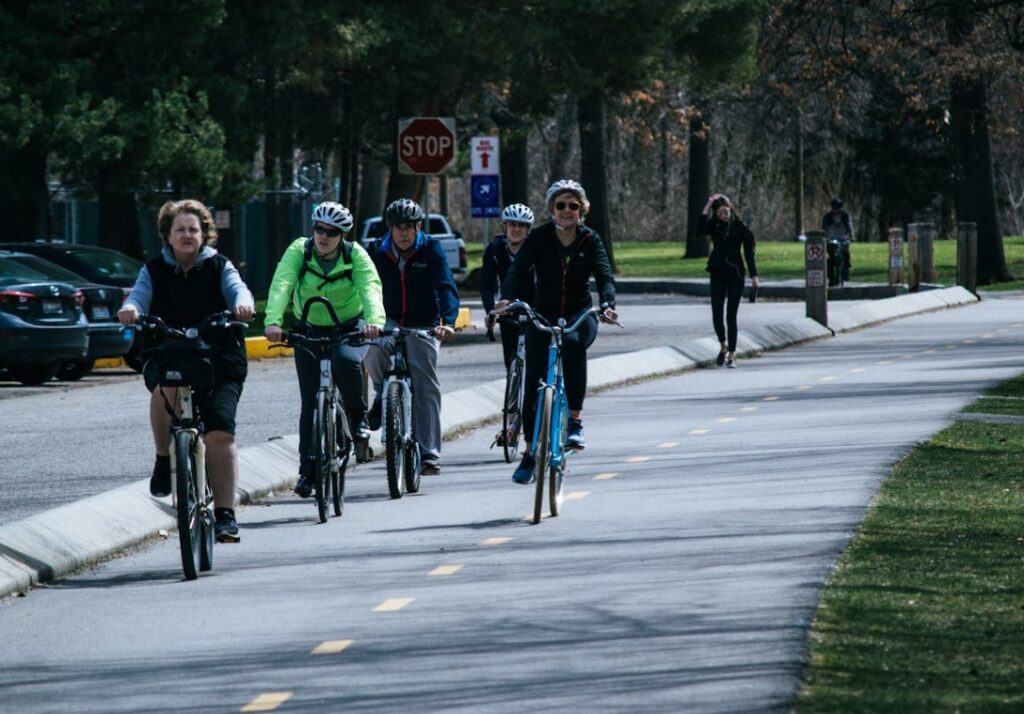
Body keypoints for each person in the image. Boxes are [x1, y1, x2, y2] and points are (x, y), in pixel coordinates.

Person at [118, 199, 254, 543]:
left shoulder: (219, 266)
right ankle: (164, 458)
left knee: (219, 433)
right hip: (169, 352)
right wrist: (131, 309)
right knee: (167, 385)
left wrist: (243, 305)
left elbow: (238, 289)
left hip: (219, 358)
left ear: (205, 234)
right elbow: (138, 296)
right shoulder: (154, 269)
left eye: (194, 229)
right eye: (180, 229)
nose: (187, 235)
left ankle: (225, 515)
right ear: (168, 235)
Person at [497, 179, 617, 485]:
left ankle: (574, 423)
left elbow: (604, 275)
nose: (566, 211)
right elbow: (517, 270)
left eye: (573, 206)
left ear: (581, 210)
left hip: (579, 314)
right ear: (552, 209)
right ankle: (528, 453)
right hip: (543, 313)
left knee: (575, 346)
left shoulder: (590, 240)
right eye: (561, 205)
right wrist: (507, 299)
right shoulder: (538, 238)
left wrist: (607, 303)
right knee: (534, 378)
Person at [263, 201, 386, 498]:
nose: (323, 236)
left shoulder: (355, 255)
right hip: (308, 329)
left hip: (348, 327)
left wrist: (374, 321)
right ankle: (307, 471)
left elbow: (370, 286)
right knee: (309, 403)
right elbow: (283, 283)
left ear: (342, 235)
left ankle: (358, 419)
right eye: (319, 229)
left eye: (331, 232)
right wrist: (273, 321)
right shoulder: (300, 251)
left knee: (346, 361)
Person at [364, 198, 459, 476]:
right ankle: (382, 394)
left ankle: (429, 454)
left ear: (418, 227)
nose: (404, 233)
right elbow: (366, 287)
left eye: (409, 226)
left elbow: (446, 286)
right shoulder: (376, 251)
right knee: (373, 347)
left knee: (426, 383)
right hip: (387, 317)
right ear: (390, 228)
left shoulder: (431, 248)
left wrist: (448, 322)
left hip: (424, 322)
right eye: (398, 227)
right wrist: (369, 321)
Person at [698, 193, 759, 369]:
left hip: (736, 274)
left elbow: (749, 253)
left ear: (731, 209)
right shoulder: (715, 226)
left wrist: (754, 276)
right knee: (716, 313)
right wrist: (708, 205)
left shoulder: (740, 228)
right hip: (717, 272)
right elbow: (699, 227)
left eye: (725, 212)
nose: (723, 216)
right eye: (719, 214)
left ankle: (732, 354)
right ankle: (723, 344)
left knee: (730, 315)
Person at [481, 203, 535, 370]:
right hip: (506, 306)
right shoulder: (495, 249)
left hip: (534, 305)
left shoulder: (536, 249)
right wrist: (491, 309)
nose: (516, 229)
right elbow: (487, 284)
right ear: (504, 227)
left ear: (528, 229)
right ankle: (513, 387)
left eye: (521, 225)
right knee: (511, 363)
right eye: (512, 224)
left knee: (536, 360)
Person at [822, 196, 854, 285]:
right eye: (834, 208)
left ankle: (846, 268)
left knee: (845, 252)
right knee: (831, 258)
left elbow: (849, 226)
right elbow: (824, 228)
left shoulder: (845, 216)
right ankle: (831, 276)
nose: (835, 210)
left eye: (837, 207)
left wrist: (851, 236)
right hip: (831, 239)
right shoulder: (827, 217)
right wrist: (825, 237)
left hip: (843, 238)